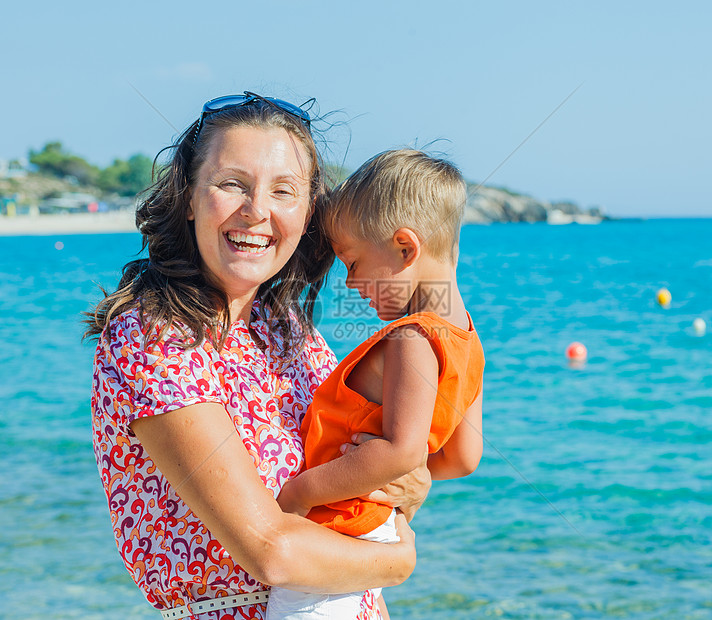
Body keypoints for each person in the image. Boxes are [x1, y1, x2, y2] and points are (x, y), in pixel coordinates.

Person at [85, 94, 430, 620]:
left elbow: (378, 489)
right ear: (188, 198)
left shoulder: (291, 332)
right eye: (231, 184)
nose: (256, 211)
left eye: (283, 191)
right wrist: (398, 561)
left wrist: (406, 483)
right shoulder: (152, 337)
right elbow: (271, 551)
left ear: (308, 213)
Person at [268, 150, 485, 618]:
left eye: (353, 262)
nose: (348, 283)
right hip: (375, 526)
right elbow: (463, 458)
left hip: (336, 527)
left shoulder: (413, 337)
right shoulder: (469, 340)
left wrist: (299, 494)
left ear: (406, 249)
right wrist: (383, 486)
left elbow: (403, 453)